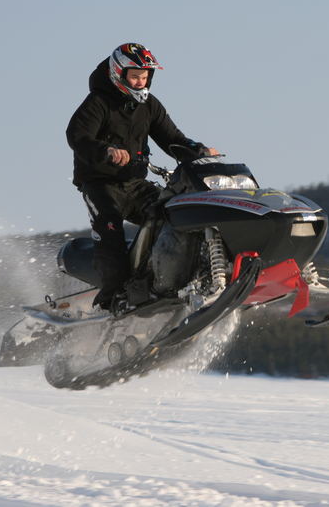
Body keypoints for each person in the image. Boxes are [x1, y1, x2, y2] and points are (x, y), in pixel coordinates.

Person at [66, 42, 217, 310]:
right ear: (118, 74)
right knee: (110, 231)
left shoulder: (150, 106)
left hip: (135, 184)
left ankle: (171, 279)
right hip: (101, 185)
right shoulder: (98, 102)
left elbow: (173, 139)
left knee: (172, 213)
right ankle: (114, 300)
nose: (140, 82)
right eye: (134, 76)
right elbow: (76, 135)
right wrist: (107, 150)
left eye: (145, 76)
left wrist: (198, 151)